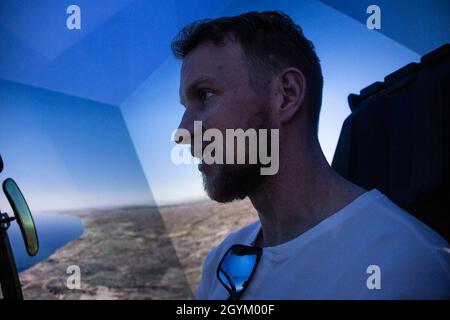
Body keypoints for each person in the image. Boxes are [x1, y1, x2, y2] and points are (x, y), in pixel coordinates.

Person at [172, 11, 450, 299]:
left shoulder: (403, 270)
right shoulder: (219, 261)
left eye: (204, 95)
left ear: (287, 95)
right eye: (184, 105)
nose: (182, 130)